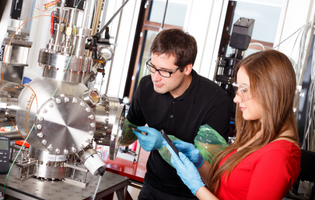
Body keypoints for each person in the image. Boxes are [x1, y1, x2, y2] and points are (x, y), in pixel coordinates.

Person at [164, 49, 301, 200]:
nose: (236, 98)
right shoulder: (259, 136)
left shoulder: (278, 155)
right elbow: (227, 189)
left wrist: (197, 188)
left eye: (244, 89)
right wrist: (200, 163)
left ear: (271, 91)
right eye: (238, 88)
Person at [123, 28, 231, 199]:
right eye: (152, 66)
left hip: (193, 193)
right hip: (152, 185)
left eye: (165, 71)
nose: (155, 77)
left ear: (186, 69)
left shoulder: (216, 101)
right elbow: (128, 132)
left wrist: (163, 143)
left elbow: (206, 167)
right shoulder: (146, 86)